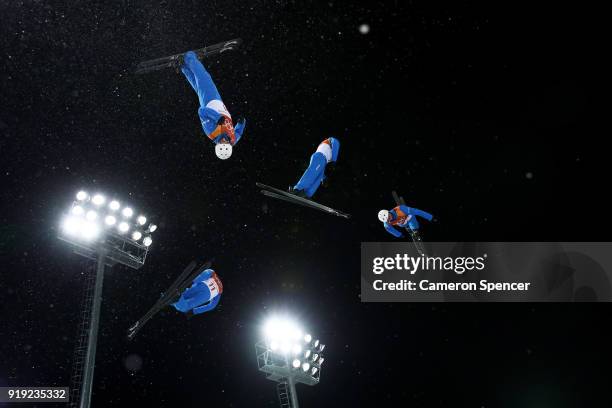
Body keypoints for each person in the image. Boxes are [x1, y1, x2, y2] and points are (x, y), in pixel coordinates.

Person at [180, 51, 246, 160]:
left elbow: (201, 111)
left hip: (209, 101)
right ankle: (183, 66)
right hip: (218, 101)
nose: (224, 141)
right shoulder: (233, 139)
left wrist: (217, 118)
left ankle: (189, 56)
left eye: (221, 143)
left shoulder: (211, 132)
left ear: (217, 145)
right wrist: (241, 123)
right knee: (198, 84)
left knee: (203, 77)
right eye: (226, 143)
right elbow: (238, 132)